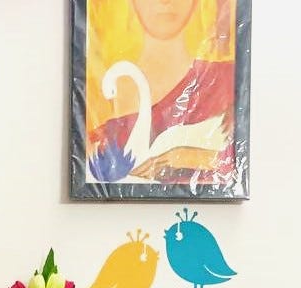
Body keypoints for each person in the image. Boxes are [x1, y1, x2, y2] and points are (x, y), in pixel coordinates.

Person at [87, 0, 237, 186]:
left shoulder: (227, 82)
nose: (165, 2)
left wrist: (188, 157)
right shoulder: (94, 102)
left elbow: (241, 163)